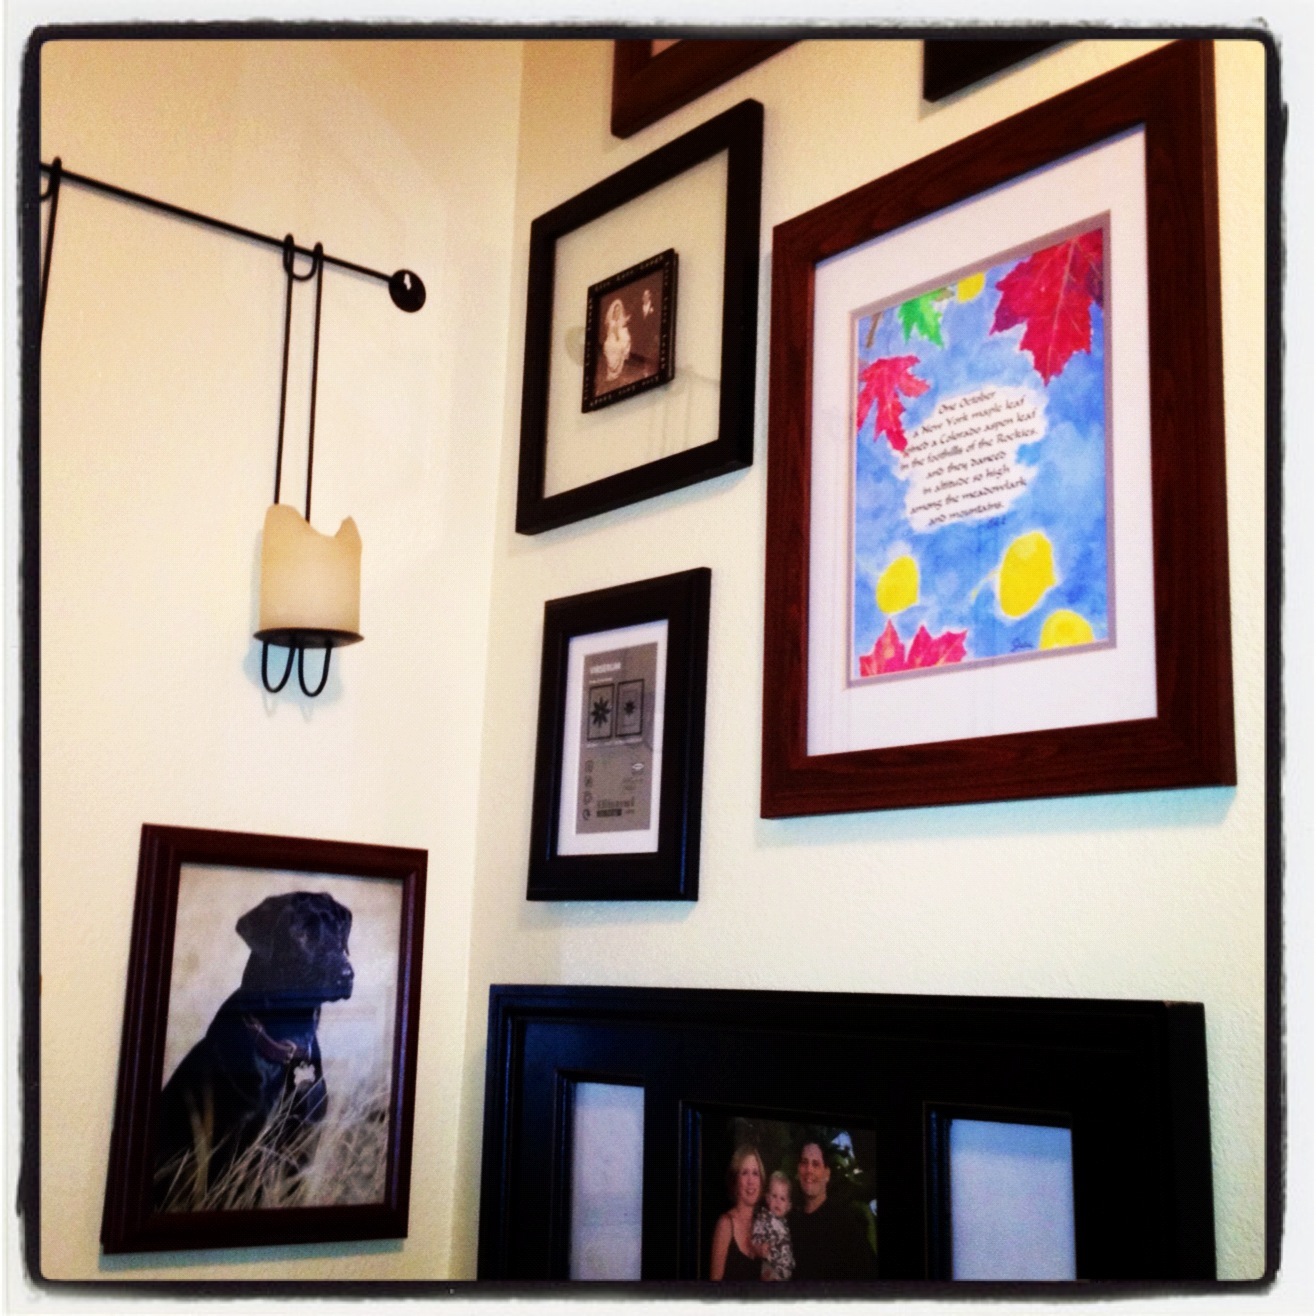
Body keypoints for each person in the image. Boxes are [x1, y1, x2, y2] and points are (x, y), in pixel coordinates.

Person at [790, 1140, 878, 1281]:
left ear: (827, 1174)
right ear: (798, 1170)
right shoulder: (791, 1221)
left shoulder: (844, 1223)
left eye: (816, 1164)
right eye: (804, 1162)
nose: (809, 1170)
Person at [709, 1145, 765, 1281]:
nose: (751, 1181)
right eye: (744, 1173)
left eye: (755, 1173)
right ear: (735, 1180)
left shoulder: (763, 1225)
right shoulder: (725, 1224)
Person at [751, 1170, 795, 1281]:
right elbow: (755, 1236)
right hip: (770, 1268)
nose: (778, 1202)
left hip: (784, 1270)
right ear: (768, 1198)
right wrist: (760, 1248)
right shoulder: (764, 1218)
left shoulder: (784, 1223)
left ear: (788, 1206)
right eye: (774, 1196)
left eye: (782, 1199)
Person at [600, 297, 632, 382]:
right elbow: (616, 335)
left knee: (622, 347)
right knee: (617, 350)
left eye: (619, 310)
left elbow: (623, 322)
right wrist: (620, 338)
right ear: (613, 311)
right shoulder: (612, 321)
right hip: (613, 339)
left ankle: (616, 373)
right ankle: (612, 373)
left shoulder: (619, 319)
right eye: (616, 311)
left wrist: (626, 320)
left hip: (614, 337)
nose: (617, 312)